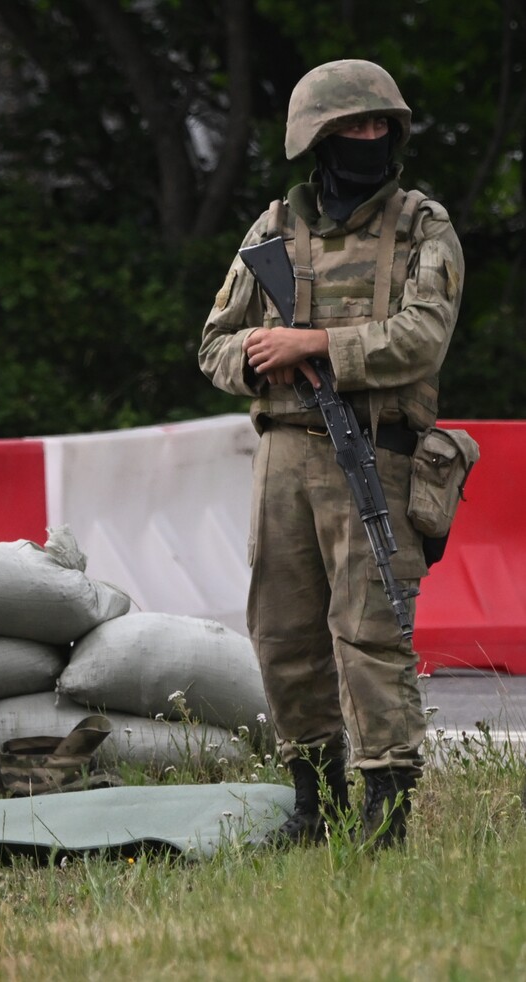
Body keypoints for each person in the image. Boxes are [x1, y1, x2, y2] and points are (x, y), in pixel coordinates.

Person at [199, 60, 465, 848]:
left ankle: (387, 810)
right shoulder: (273, 230)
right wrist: (260, 352)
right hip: (283, 456)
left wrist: (317, 343)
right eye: (353, 126)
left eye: (381, 124)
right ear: (316, 137)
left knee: (371, 634)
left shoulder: (423, 226)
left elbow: (423, 336)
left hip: (376, 454)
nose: (370, 137)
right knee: (284, 636)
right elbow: (212, 347)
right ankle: (314, 804)